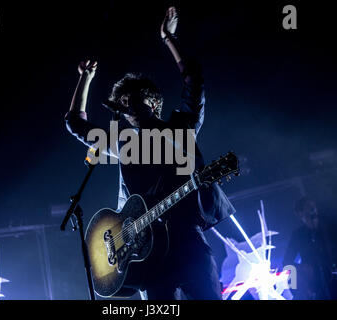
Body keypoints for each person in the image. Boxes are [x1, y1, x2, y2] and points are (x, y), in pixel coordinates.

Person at [65, 7, 235, 300]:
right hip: (148, 253)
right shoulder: (125, 145)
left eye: (134, 99)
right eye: (123, 102)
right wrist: (86, 80)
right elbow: (75, 123)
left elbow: (194, 80)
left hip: (188, 242)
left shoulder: (182, 128)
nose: (127, 106)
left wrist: (170, 38)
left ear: (154, 102)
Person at [283, 196, 337, 299]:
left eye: (314, 207)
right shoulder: (298, 235)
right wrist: (302, 267)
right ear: (300, 213)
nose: (314, 209)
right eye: (309, 207)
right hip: (316, 284)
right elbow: (286, 262)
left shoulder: (328, 228)